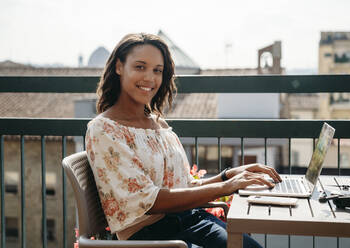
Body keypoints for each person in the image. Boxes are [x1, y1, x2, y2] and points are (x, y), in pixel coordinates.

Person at [85, 33, 282, 248]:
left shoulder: (157, 124)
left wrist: (228, 175)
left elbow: (183, 186)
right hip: (151, 237)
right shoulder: (104, 130)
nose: (150, 78)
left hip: (190, 221)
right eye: (140, 67)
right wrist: (225, 186)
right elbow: (149, 201)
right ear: (119, 67)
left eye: (157, 70)